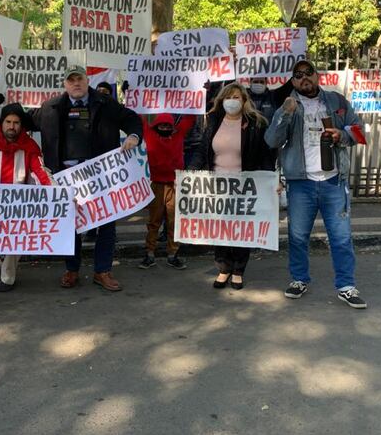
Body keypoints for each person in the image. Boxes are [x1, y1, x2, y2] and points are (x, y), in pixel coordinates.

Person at [28, 64, 143, 291]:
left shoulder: (105, 103)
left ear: (86, 80)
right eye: (71, 80)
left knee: (107, 224)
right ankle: (72, 270)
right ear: (65, 84)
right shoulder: (50, 107)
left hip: (101, 177)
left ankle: (103, 271)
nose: (76, 84)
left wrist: (133, 135)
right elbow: (23, 122)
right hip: (66, 179)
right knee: (70, 225)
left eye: (79, 79)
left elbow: (132, 119)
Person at [265, 59, 367, 309]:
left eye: (307, 73)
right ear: (293, 80)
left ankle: (346, 286)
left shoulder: (336, 101)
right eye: (297, 76)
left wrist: (341, 135)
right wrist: (283, 114)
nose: (303, 79)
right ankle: (299, 279)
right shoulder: (287, 104)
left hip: (333, 181)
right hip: (301, 182)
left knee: (341, 237)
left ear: (317, 75)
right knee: (298, 236)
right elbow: (271, 140)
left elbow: (359, 130)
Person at [190, 82, 275, 289]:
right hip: (217, 186)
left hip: (244, 186)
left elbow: (266, 156)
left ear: (244, 101)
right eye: (228, 97)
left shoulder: (256, 123)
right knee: (220, 229)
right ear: (221, 100)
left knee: (240, 230)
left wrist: (272, 179)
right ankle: (223, 268)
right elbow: (203, 151)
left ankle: (238, 269)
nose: (232, 101)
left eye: (237, 97)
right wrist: (190, 171)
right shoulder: (214, 121)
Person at [0, 103, 52, 291]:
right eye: (8, 122)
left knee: (15, 240)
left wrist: (54, 192)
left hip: (18, 203)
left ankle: (7, 277)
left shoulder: (30, 145)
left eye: (16, 122)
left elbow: (39, 171)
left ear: (22, 125)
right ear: (1, 122)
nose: (12, 126)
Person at [140, 113, 195, 270]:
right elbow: (139, 115)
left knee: (174, 222)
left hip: (175, 184)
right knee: (154, 222)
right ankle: (149, 254)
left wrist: (197, 95)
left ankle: (173, 254)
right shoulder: (149, 135)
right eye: (162, 126)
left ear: (173, 127)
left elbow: (190, 117)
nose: (165, 128)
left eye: (168, 126)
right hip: (156, 185)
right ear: (156, 127)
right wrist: (129, 92)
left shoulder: (179, 135)